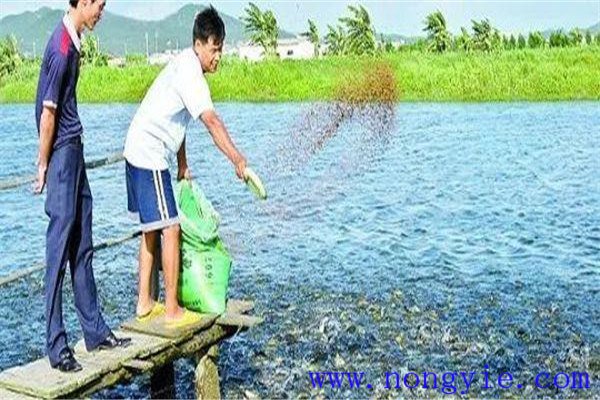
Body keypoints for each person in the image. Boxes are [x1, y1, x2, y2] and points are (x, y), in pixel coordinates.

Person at [123, 6, 248, 327]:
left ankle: (144, 302)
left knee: (152, 229)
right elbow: (211, 120)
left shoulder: (183, 64)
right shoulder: (192, 74)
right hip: (149, 152)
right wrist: (237, 158)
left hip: (137, 147)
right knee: (171, 227)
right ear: (199, 44)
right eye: (215, 48)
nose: (218, 56)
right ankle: (172, 309)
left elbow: (179, 122)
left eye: (221, 49)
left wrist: (182, 165)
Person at [34, 0, 130, 373]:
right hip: (60, 154)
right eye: (100, 6)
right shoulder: (60, 48)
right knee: (58, 252)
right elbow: (47, 113)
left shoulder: (74, 40)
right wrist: (43, 165)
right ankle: (56, 347)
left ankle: (94, 331)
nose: (102, 12)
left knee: (83, 243)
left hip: (74, 148)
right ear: (83, 2)